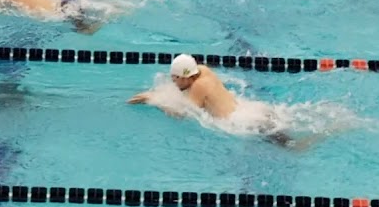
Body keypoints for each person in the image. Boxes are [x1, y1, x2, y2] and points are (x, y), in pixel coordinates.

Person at [127, 54, 306, 147]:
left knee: (295, 147)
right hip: (251, 110)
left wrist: (155, 100)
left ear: (186, 77)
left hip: (244, 124)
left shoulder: (198, 87)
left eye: (176, 78)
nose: (173, 82)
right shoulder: (202, 70)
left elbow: (181, 114)